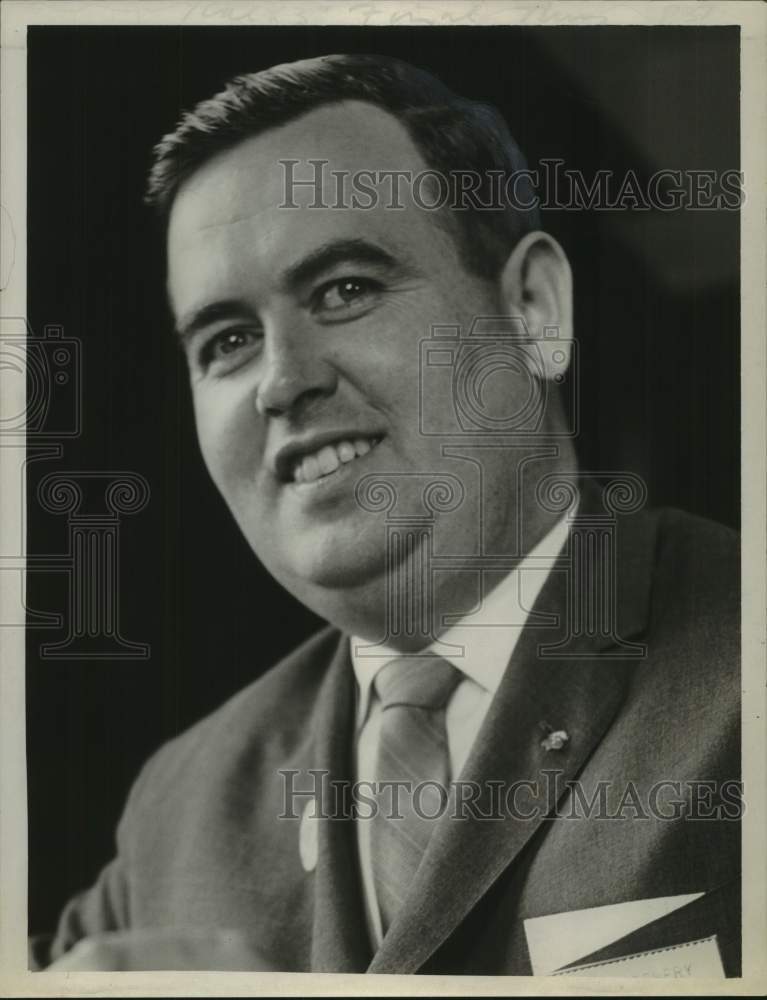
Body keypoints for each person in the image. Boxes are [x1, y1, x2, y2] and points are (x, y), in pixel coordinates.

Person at [34, 54, 740, 975]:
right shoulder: (179, 806)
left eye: (345, 290)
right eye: (228, 341)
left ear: (532, 308)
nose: (283, 381)